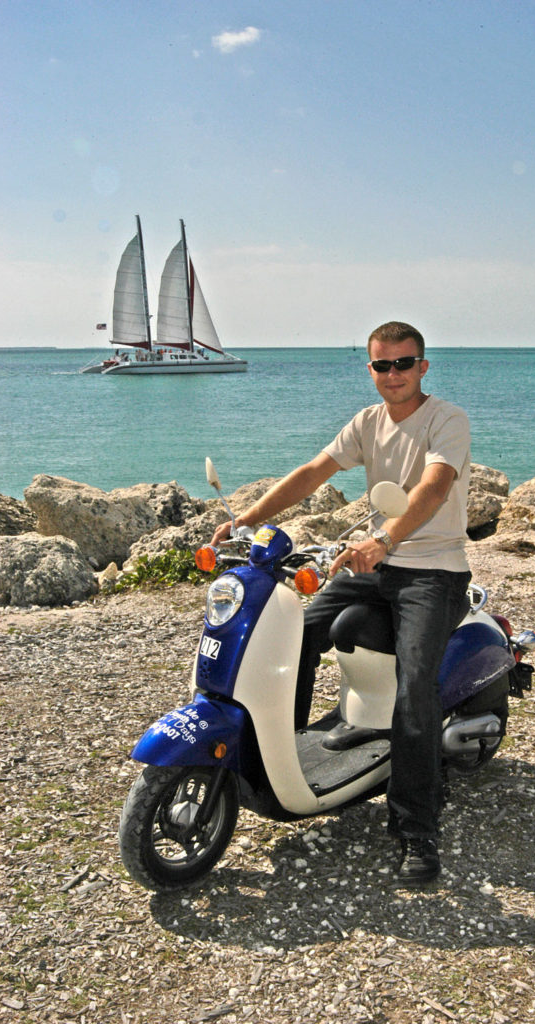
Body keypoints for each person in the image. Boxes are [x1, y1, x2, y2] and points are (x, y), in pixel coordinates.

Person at [211, 321, 471, 885]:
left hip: (433, 570)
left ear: (423, 367)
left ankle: (415, 828)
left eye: (404, 363)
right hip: (376, 566)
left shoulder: (445, 420)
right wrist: (246, 520)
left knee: (417, 684)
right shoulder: (367, 423)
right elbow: (313, 472)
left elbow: (434, 487)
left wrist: (386, 539)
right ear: (371, 370)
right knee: (295, 632)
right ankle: (285, 753)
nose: (393, 374)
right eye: (382, 365)